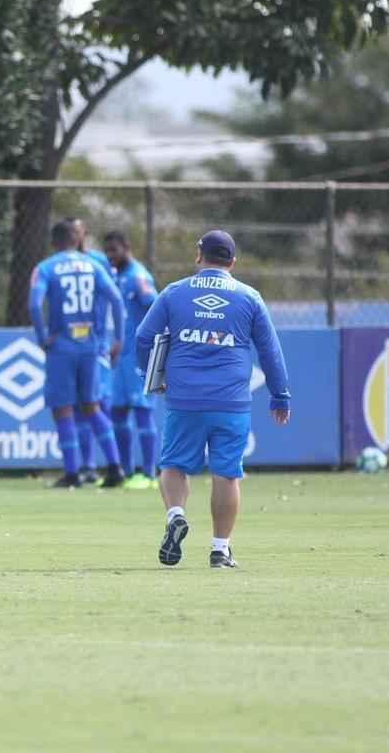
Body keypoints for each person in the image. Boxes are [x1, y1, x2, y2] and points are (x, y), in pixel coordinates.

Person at [136, 230, 291, 568]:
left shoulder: (175, 292)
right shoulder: (249, 297)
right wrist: (280, 395)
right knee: (226, 474)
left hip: (183, 397)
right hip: (231, 400)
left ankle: (176, 514)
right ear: (233, 261)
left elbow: (143, 336)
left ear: (198, 255)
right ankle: (220, 550)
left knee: (173, 465)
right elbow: (270, 351)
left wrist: (150, 375)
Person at [29, 221, 126, 488]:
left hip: (62, 346)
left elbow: (35, 304)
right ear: (75, 240)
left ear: (54, 242)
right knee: (92, 406)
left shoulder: (46, 268)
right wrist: (119, 338)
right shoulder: (93, 265)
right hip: (90, 346)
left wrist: (42, 337)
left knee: (62, 409)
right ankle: (116, 467)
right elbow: (117, 300)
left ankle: (72, 473)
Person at [102, 230, 159, 490]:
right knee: (118, 411)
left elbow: (156, 305)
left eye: (114, 250)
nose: (110, 256)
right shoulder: (116, 276)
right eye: (107, 251)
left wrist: (150, 342)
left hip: (140, 356)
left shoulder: (138, 276)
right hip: (121, 357)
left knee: (142, 410)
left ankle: (149, 474)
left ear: (127, 248)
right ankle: (126, 472)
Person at [68, 217, 116, 484]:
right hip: (71, 346)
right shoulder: (61, 262)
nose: (76, 236)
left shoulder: (97, 261)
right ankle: (87, 466)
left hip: (95, 344)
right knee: (77, 408)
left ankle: (115, 464)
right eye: (71, 232)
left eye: (79, 231)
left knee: (99, 404)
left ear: (85, 233)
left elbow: (112, 297)